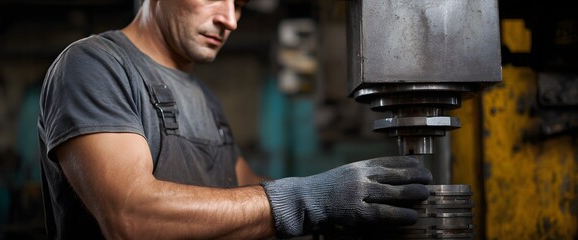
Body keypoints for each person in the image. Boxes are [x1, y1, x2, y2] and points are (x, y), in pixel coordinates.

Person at [38, 0, 433, 239]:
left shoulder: (202, 97)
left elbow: (245, 187)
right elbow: (131, 218)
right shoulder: (95, 65)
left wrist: (347, 198)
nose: (231, 20)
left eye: (240, 4)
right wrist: (310, 199)